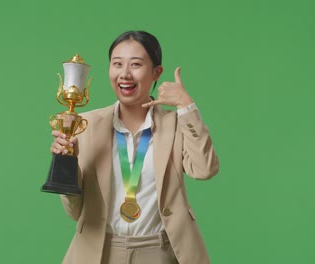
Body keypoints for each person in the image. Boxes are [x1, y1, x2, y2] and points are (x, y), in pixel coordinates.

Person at [50, 30, 220, 264]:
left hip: (161, 251)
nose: (125, 74)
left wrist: (186, 105)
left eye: (136, 64)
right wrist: (66, 164)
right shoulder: (85, 125)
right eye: (117, 64)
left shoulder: (176, 123)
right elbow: (74, 211)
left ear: (156, 72)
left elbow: (204, 169)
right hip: (100, 251)